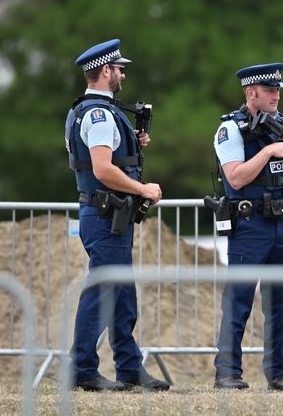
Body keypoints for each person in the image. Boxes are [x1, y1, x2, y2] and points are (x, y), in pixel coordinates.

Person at [64, 39, 169, 392]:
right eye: (119, 68)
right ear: (106, 71)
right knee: (102, 292)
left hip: (108, 214)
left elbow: (105, 161)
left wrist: (132, 147)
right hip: (104, 213)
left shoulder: (91, 111)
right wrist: (143, 189)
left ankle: (128, 368)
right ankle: (82, 369)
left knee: (123, 294)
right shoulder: (99, 114)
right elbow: (102, 170)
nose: (122, 73)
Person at [212, 63, 283, 391]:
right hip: (250, 224)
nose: (276, 96)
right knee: (239, 299)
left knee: (282, 303)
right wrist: (269, 151)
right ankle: (227, 372)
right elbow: (236, 177)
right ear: (251, 92)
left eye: (278, 90)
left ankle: (279, 372)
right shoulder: (231, 129)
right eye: (270, 90)